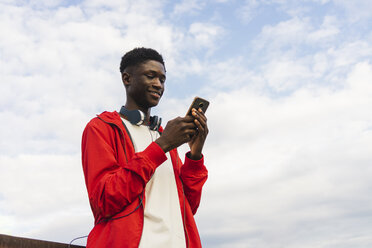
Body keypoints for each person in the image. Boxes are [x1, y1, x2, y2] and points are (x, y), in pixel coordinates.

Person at [81, 47, 209, 248]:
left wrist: (194, 155)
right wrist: (161, 146)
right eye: (151, 76)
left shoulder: (164, 137)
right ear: (127, 79)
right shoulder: (101, 128)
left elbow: (188, 208)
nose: (158, 84)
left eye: (163, 79)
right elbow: (104, 200)